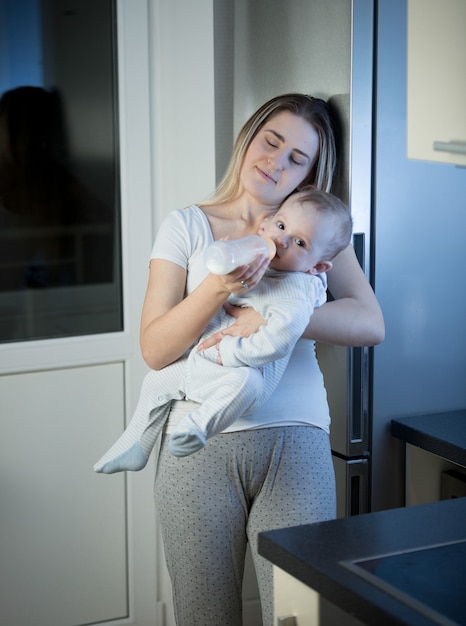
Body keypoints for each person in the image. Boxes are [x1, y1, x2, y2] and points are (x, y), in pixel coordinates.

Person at [140, 93, 384, 626]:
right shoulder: (187, 227)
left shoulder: (317, 232)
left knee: (300, 616)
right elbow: (156, 349)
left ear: (312, 173)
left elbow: (371, 324)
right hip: (197, 448)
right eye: (272, 142)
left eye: (298, 158)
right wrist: (218, 291)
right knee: (206, 616)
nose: (277, 162)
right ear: (249, 138)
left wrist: (278, 320)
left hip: (296, 443)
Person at [94, 187, 352, 472]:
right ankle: (135, 445)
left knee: (244, 383)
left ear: (317, 266)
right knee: (156, 381)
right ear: (265, 225)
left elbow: (276, 342)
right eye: (280, 226)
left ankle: (197, 428)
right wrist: (227, 263)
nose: (282, 240)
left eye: (300, 242)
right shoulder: (253, 259)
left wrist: (226, 352)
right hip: (203, 361)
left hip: (245, 373)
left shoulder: (296, 291)